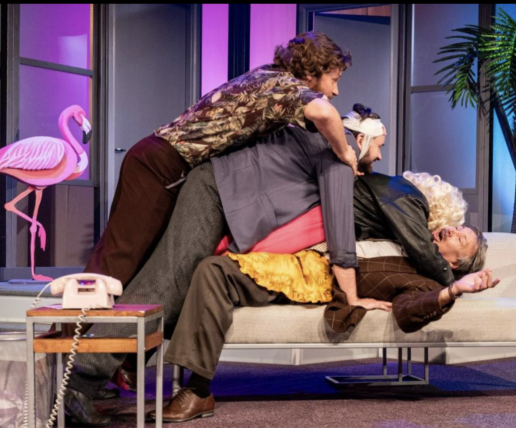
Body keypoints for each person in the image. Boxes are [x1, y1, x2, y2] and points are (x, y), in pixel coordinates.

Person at [63, 103, 382, 426]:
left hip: (214, 189)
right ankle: (79, 380)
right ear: (361, 140)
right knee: (163, 285)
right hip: (214, 193)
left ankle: (95, 376)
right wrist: (352, 297)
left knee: (168, 287)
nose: (380, 156)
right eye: (379, 147)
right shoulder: (340, 155)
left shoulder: (316, 140)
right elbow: (340, 229)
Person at [152, 173, 491, 423]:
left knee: (214, 270)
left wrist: (453, 290)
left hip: (313, 276)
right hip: (304, 252)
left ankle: (197, 390)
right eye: (457, 228)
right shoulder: (406, 235)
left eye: (460, 239)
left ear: (454, 264)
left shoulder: (424, 282)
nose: (451, 230)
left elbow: (408, 312)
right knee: (209, 265)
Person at [84, 31, 357, 287]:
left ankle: (84, 315)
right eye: (334, 80)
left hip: (152, 154)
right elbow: (325, 113)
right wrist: (345, 152)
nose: (336, 91)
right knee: (121, 256)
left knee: (122, 251)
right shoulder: (286, 87)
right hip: (163, 163)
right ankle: (79, 319)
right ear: (310, 74)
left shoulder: (269, 75)